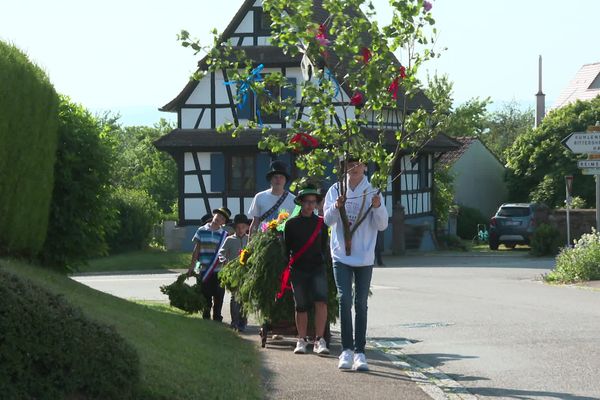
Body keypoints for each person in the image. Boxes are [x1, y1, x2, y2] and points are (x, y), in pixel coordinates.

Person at [323, 157, 388, 371]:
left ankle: (360, 351)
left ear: (365, 167)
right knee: (344, 299)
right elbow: (327, 220)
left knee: (361, 303)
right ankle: (346, 350)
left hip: (364, 256)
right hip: (341, 254)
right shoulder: (335, 189)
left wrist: (377, 207)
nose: (354, 167)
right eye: (349, 164)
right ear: (344, 167)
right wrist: (336, 205)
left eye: (358, 164)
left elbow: (382, 225)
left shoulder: (373, 191)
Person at [283, 186, 330, 355]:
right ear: (301, 203)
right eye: (307, 202)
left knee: (321, 302)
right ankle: (301, 340)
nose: (310, 205)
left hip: (317, 267)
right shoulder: (291, 224)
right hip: (298, 269)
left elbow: (324, 247)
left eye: (313, 202)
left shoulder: (321, 224)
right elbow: (287, 249)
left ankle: (319, 340)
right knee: (301, 305)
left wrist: (319, 261)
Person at [187, 207, 231, 321]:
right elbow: (196, 249)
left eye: (222, 218)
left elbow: (226, 253)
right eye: (218, 215)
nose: (218, 218)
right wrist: (192, 267)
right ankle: (206, 315)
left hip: (219, 270)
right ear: (214, 215)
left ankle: (217, 316)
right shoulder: (201, 230)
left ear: (224, 222)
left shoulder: (225, 235)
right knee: (205, 294)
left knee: (219, 294)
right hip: (204, 269)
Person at [218, 213, 250, 331]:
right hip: (234, 272)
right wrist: (224, 260)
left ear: (247, 227)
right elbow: (221, 252)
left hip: (247, 272)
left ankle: (243, 321)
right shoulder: (229, 239)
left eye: (243, 227)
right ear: (234, 228)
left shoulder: (250, 239)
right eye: (238, 227)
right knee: (235, 297)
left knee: (245, 297)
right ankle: (234, 321)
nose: (240, 229)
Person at [248, 160, 296, 237]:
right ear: (270, 179)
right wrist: (249, 245)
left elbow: (295, 225)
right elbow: (255, 222)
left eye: (281, 177)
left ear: (285, 180)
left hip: (285, 240)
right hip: (263, 240)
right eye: (275, 177)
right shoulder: (259, 197)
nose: (278, 180)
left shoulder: (293, 200)